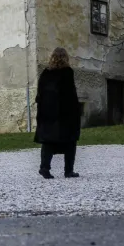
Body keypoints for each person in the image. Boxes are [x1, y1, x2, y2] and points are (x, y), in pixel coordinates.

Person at [35, 47, 81, 179]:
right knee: (70, 141)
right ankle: (68, 171)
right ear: (65, 58)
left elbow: (40, 93)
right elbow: (70, 94)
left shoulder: (45, 73)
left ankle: (44, 167)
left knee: (48, 141)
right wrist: (76, 111)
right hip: (64, 113)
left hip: (47, 113)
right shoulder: (67, 72)